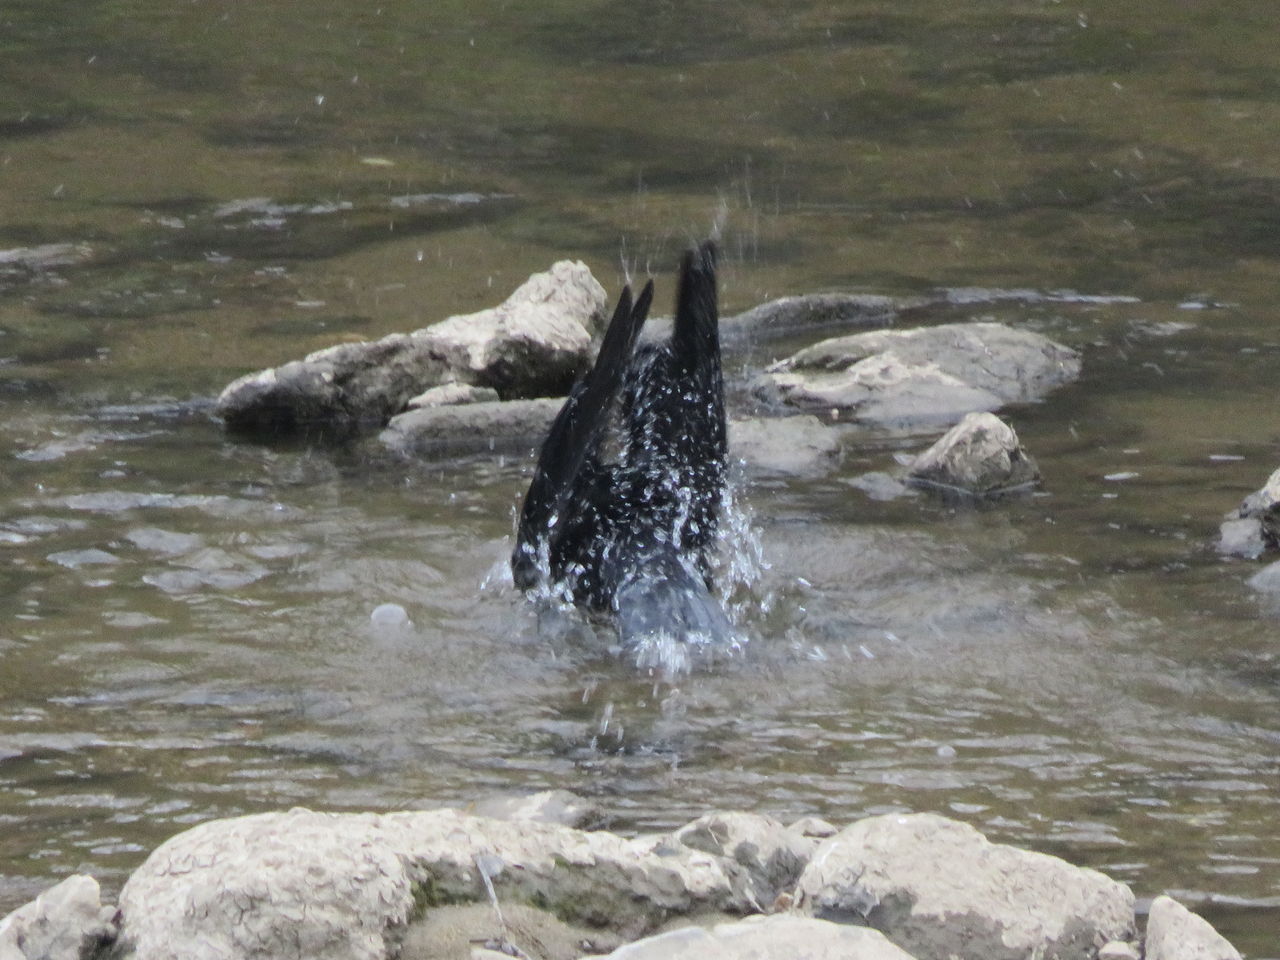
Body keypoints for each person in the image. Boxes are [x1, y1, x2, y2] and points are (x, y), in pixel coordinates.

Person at [512, 241, 733, 655]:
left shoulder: (578, 510)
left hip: (604, 582)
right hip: (674, 576)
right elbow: (699, 405)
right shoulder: (675, 496)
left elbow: (568, 450)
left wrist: (600, 381)